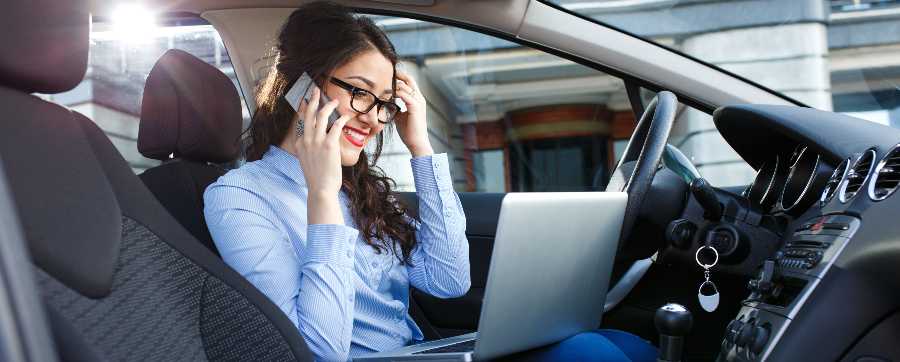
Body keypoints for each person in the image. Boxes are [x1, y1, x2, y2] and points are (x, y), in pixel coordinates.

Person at [204, 2, 656, 361]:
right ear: (301, 87)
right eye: (360, 92)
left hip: (420, 353)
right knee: (591, 353)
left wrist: (420, 146)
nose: (375, 118)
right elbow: (318, 351)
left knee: (627, 344)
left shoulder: (357, 188)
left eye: (384, 103)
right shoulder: (239, 197)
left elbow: (448, 279)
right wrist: (320, 195)